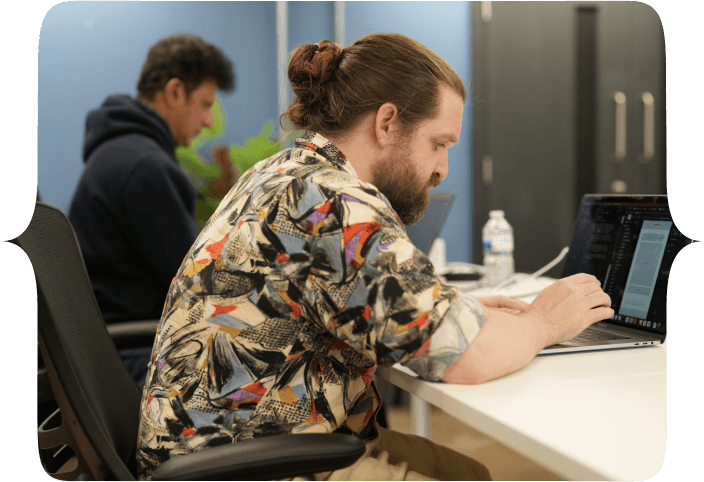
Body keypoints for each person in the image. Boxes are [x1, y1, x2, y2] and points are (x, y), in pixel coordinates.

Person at [135, 33, 613, 481]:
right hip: (253, 465)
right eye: (438, 144)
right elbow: (467, 358)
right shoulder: (337, 204)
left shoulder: (286, 171)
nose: (442, 169)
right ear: (387, 123)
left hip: (219, 446)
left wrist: (454, 309)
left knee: (470, 472)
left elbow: (345, 297)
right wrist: (547, 322)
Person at [67, 33, 235, 387]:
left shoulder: (118, 152)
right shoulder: (146, 168)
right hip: (138, 358)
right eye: (205, 104)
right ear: (175, 92)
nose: (208, 121)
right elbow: (200, 287)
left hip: (110, 352)